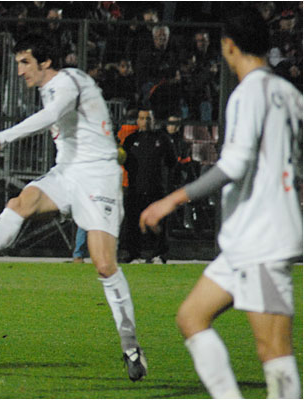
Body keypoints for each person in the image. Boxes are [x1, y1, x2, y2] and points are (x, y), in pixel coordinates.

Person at [0, 34, 147, 382]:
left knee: (104, 264)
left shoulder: (68, 80)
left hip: (98, 178)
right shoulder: (48, 86)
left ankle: (131, 346)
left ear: (45, 62)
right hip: (66, 174)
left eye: (25, 62)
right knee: (22, 202)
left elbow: (51, 115)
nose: (19, 71)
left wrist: (1, 137)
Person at [140, 7, 302, 398]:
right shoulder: (290, 95)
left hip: (262, 238)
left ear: (229, 47)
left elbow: (235, 163)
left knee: (274, 351)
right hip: (247, 239)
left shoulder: (249, 93)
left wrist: (172, 199)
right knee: (192, 317)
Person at [121, 108, 176, 263]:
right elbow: (124, 162)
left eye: (148, 118)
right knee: (133, 222)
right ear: (137, 121)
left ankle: (159, 254)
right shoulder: (130, 140)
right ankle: (133, 254)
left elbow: (172, 162)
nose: (145, 121)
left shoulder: (163, 139)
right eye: (142, 118)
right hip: (135, 189)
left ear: (154, 121)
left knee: (158, 223)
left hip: (157, 189)